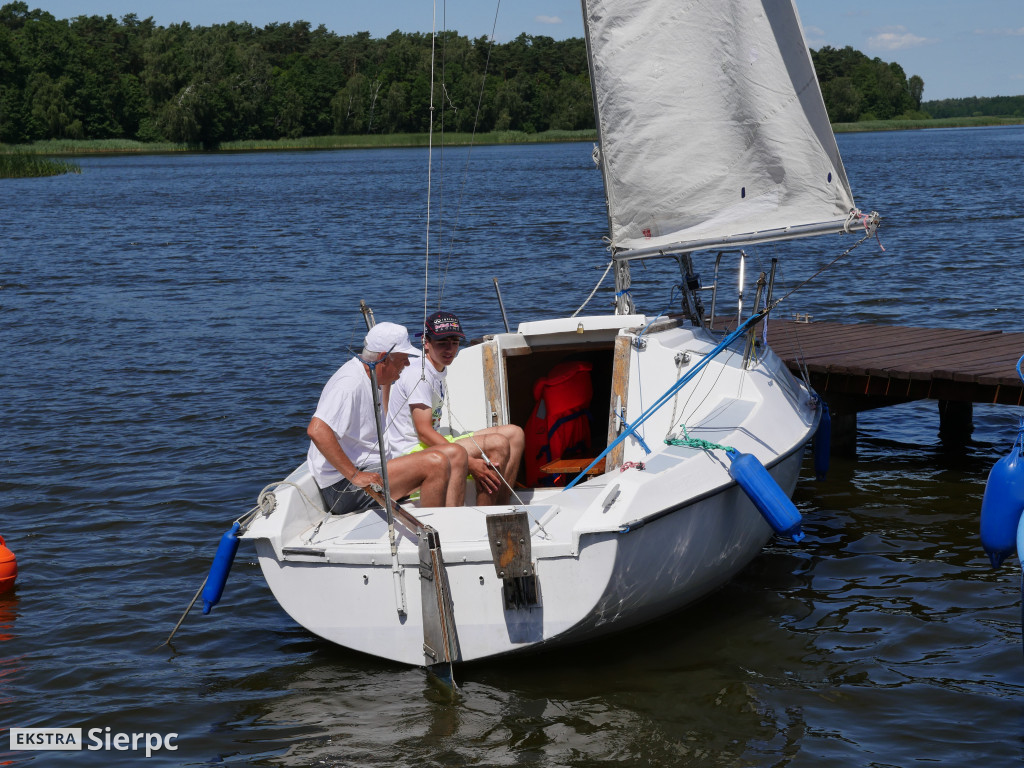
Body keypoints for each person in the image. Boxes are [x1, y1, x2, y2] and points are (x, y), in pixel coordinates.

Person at [307, 321, 459, 515]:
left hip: (372, 467)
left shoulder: (374, 375)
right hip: (342, 488)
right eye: (403, 359)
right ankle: (438, 530)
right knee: (437, 463)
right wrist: (355, 475)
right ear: (383, 359)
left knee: (449, 458)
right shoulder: (350, 384)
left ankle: (451, 518)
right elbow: (317, 430)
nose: (407, 364)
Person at [387, 310, 525, 506]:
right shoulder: (420, 374)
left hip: (425, 443)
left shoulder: (437, 368)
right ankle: (485, 514)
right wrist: (470, 462)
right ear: (426, 343)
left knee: (514, 434)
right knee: (498, 443)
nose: (449, 349)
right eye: (442, 343)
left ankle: (500, 508)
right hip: (411, 451)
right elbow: (424, 432)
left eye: (455, 342)